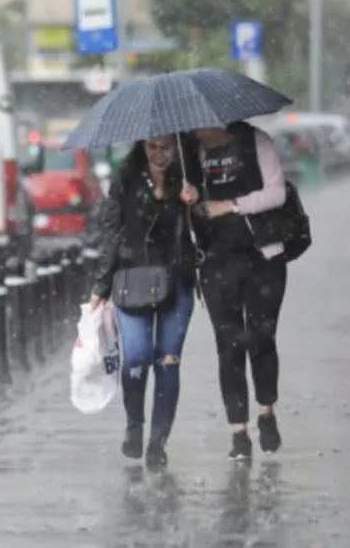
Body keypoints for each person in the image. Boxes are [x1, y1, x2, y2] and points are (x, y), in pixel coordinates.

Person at [88, 135, 199, 470]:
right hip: (132, 281)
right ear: (141, 147)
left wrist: (196, 204)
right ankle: (134, 423)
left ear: (175, 147)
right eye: (152, 146)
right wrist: (100, 285)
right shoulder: (126, 179)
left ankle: (158, 442)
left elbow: (208, 231)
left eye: (165, 146)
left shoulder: (189, 176)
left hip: (176, 281)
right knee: (135, 358)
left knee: (167, 362)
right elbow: (111, 233)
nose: (158, 153)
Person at [190, 122, 289, 461]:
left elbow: (277, 193)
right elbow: (185, 208)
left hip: (263, 256)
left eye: (201, 126)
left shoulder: (256, 141)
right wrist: (189, 199)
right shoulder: (192, 151)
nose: (196, 131)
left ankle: (266, 410)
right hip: (216, 262)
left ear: (220, 122)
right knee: (229, 344)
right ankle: (238, 433)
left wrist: (230, 205)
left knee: (261, 338)